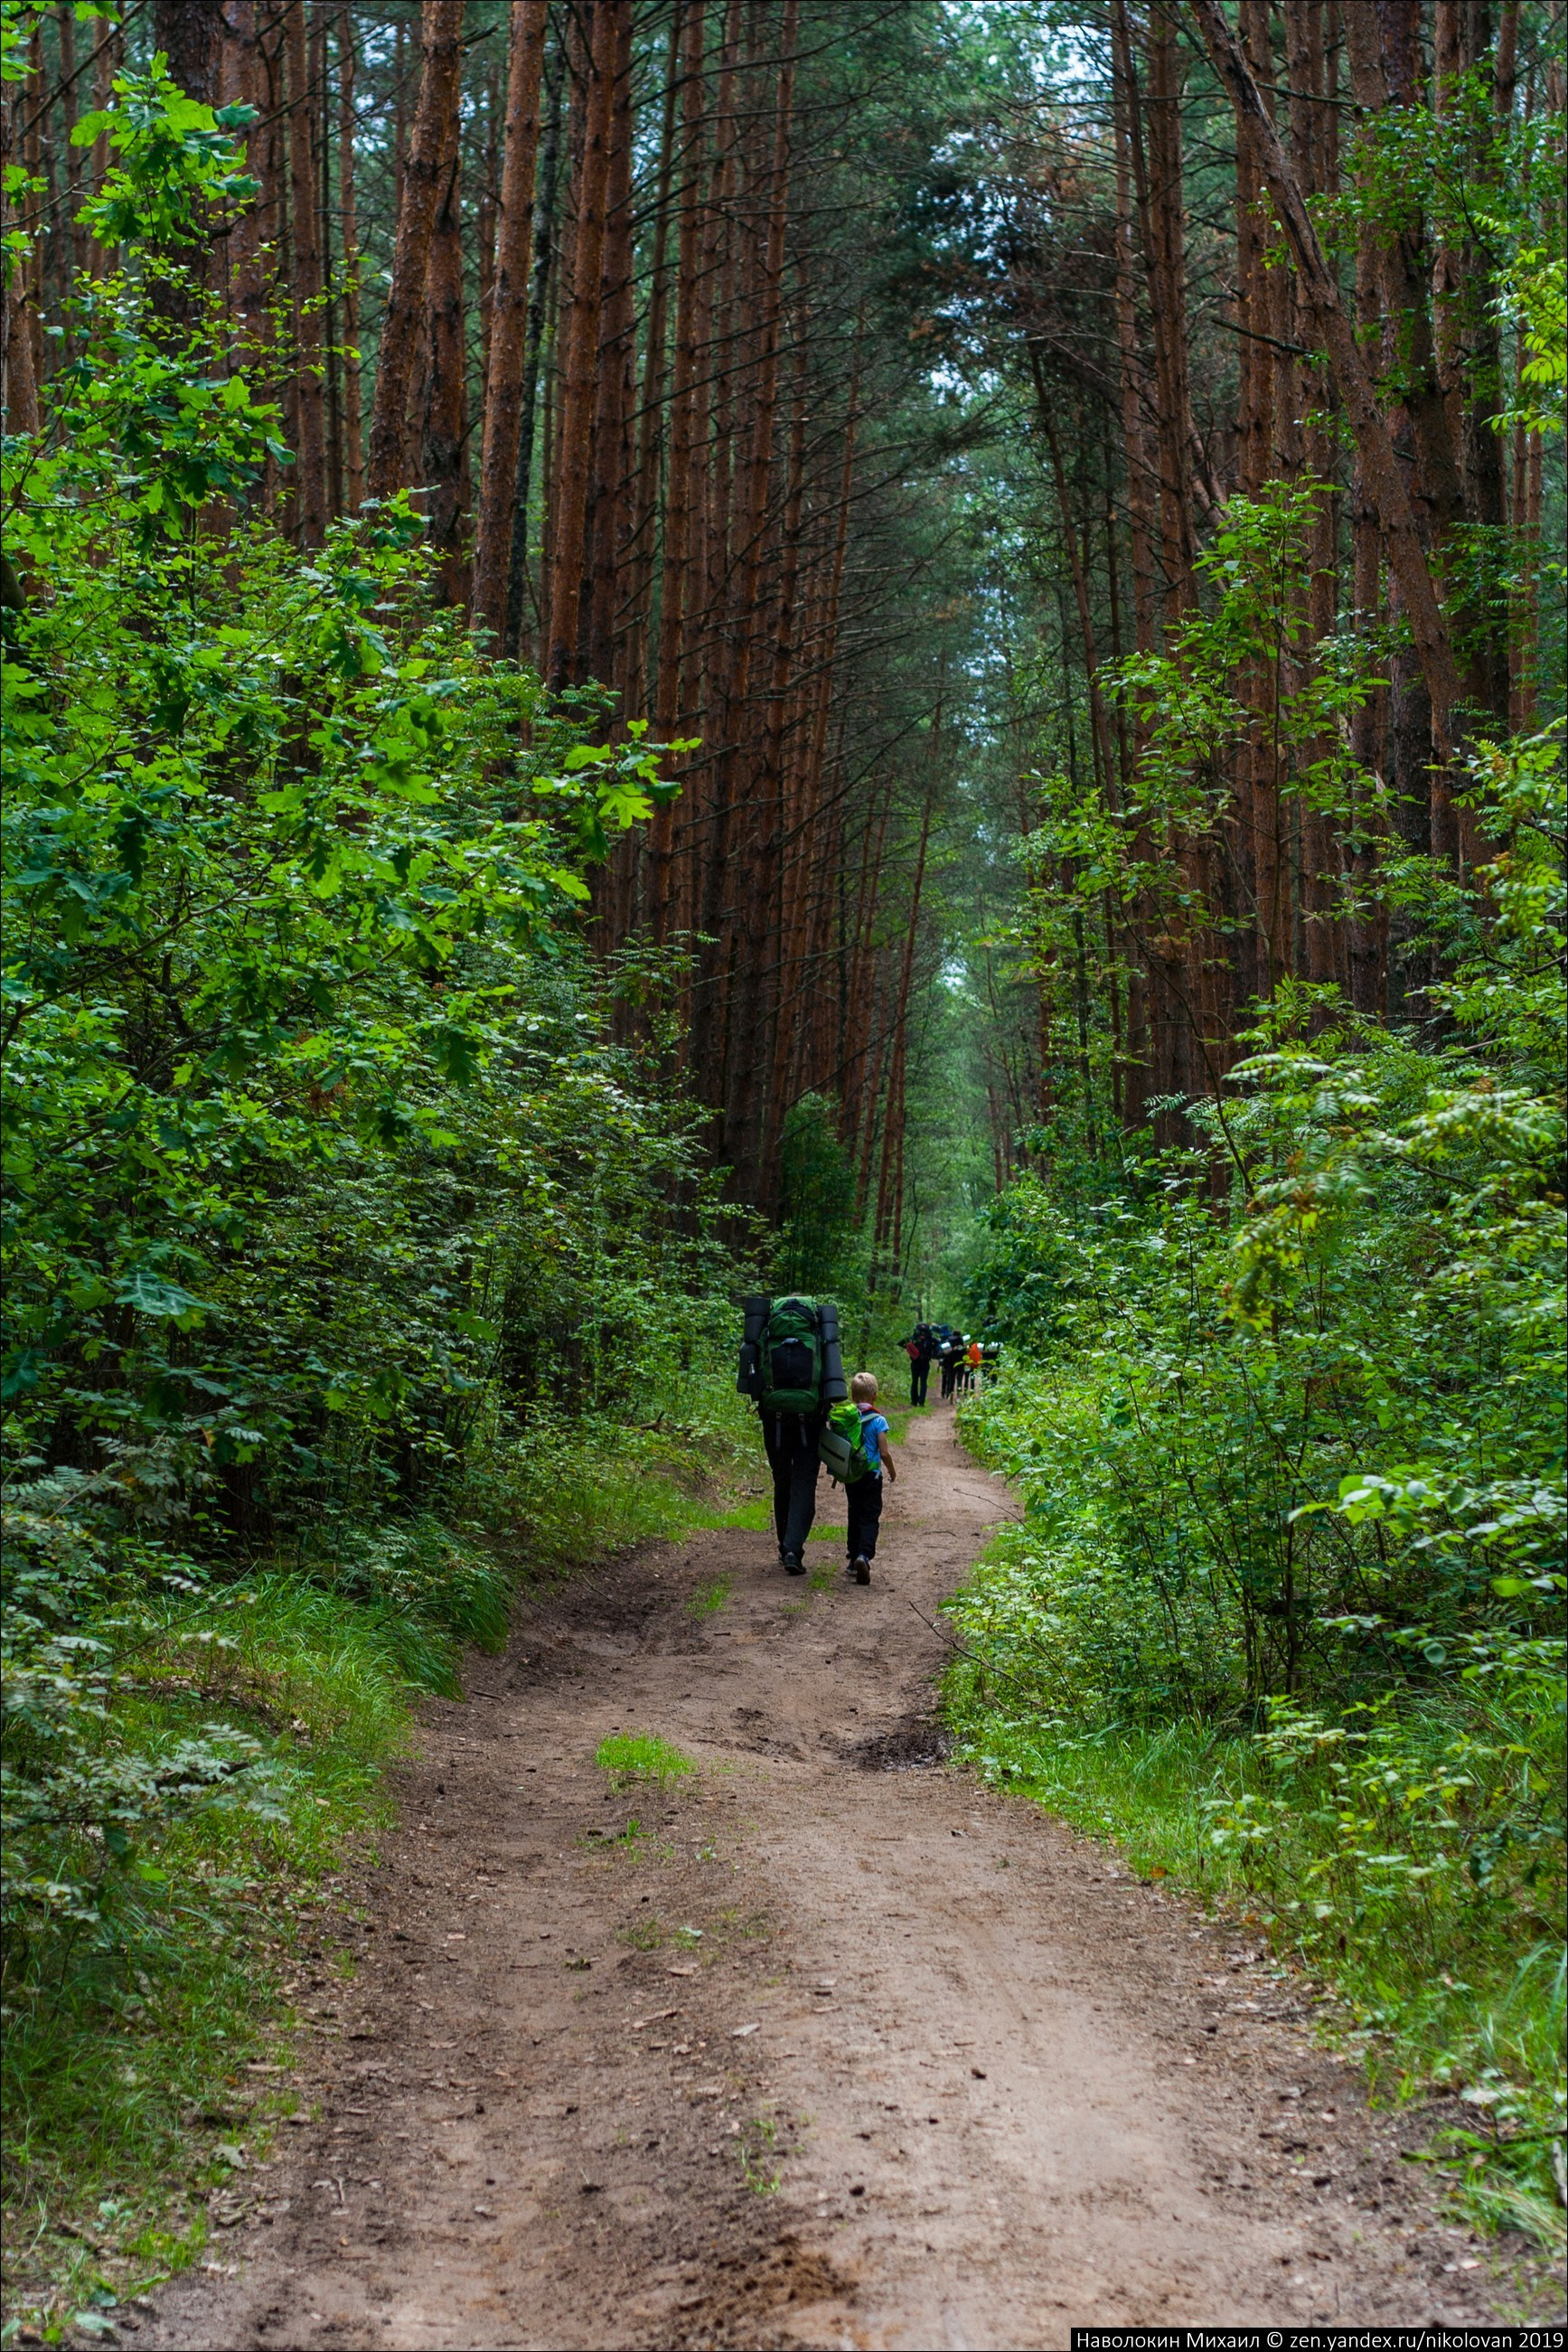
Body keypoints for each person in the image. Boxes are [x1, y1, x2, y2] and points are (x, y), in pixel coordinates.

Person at [846, 1370, 896, 1585]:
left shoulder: (849, 1419)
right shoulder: (878, 1421)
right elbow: (884, 1452)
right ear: (875, 1396)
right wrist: (892, 1470)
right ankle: (864, 1555)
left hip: (852, 1476)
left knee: (854, 1513)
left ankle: (852, 1559)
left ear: (852, 1396)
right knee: (870, 1516)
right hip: (872, 1477)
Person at [904, 1321, 934, 1406]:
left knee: (915, 1381)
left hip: (915, 1363)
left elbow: (904, 1343)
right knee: (923, 1382)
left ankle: (914, 1401)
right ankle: (921, 1402)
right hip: (925, 1362)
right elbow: (937, 1345)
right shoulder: (930, 1339)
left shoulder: (913, 1338)